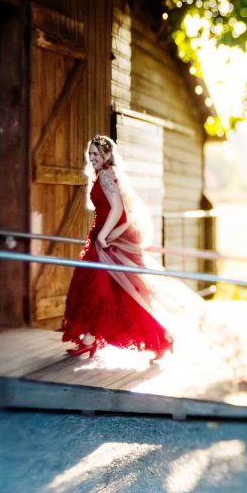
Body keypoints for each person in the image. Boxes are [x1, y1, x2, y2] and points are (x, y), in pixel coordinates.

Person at [60, 135, 173, 359]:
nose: (91, 157)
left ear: (107, 155)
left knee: (99, 289)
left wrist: (103, 236)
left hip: (105, 240)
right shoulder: (106, 174)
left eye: (95, 154)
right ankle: (90, 340)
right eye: (90, 153)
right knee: (107, 290)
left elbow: (117, 209)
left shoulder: (106, 174)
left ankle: (158, 339)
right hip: (103, 237)